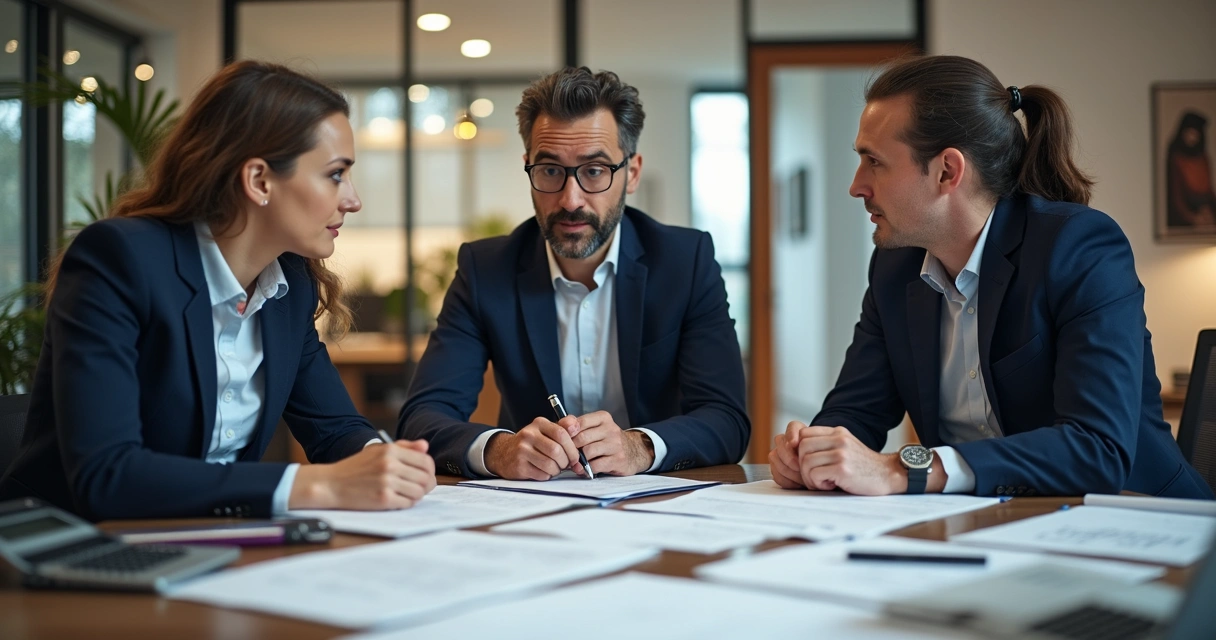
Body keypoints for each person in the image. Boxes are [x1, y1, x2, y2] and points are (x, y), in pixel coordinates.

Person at [0, 61, 437, 520]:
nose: (353, 200)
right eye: (335, 174)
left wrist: (384, 462)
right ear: (259, 180)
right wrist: (319, 485)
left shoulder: (291, 286)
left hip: (205, 540)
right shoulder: (120, 259)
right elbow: (106, 474)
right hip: (68, 542)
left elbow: (334, 430)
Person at [769, 55, 1212, 500]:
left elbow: (1097, 449)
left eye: (874, 161)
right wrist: (814, 452)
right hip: (992, 522)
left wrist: (907, 470)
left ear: (947, 170)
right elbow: (856, 410)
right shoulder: (894, 267)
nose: (856, 186)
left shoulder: (1080, 248)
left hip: (1140, 517)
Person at [399, 67, 749, 480]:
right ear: (528, 168)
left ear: (632, 173)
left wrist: (639, 447)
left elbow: (726, 419)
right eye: (550, 170)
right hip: (531, 503)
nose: (570, 200)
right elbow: (422, 418)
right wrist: (498, 449)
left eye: (594, 170)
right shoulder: (485, 270)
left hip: (656, 496)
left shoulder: (685, 262)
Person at [1166, 111, 1216, 229]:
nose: (1192, 138)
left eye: (1195, 135)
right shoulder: (1176, 159)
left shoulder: (1203, 158)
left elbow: (1208, 189)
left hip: (1206, 209)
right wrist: (1192, 218)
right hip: (1186, 213)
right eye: (1189, 133)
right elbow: (1176, 196)